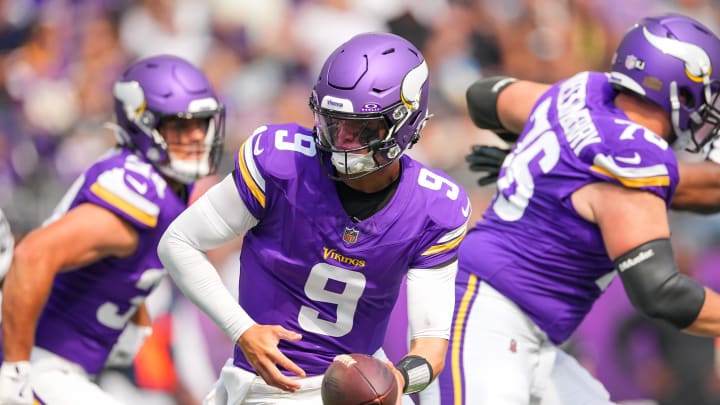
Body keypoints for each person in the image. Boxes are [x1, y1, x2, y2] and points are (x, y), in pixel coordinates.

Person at [157, 32, 470, 404]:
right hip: (271, 387)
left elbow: (431, 345)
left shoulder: (435, 207)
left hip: (361, 381)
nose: (343, 141)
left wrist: (396, 382)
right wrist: (242, 330)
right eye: (334, 123)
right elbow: (178, 243)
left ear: (407, 123)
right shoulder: (281, 161)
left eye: (361, 129)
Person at [436, 13, 720, 405]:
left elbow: (484, 96)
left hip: (527, 333)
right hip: (484, 318)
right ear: (681, 92)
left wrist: (542, 169)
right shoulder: (630, 162)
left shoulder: (586, 91)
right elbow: (662, 293)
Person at [0, 54, 225, 405]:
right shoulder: (140, 194)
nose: (197, 137)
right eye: (181, 127)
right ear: (142, 125)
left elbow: (120, 257)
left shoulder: (166, 187)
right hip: (39, 361)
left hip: (62, 365)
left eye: (202, 124)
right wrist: (14, 370)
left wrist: (135, 311)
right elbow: (31, 256)